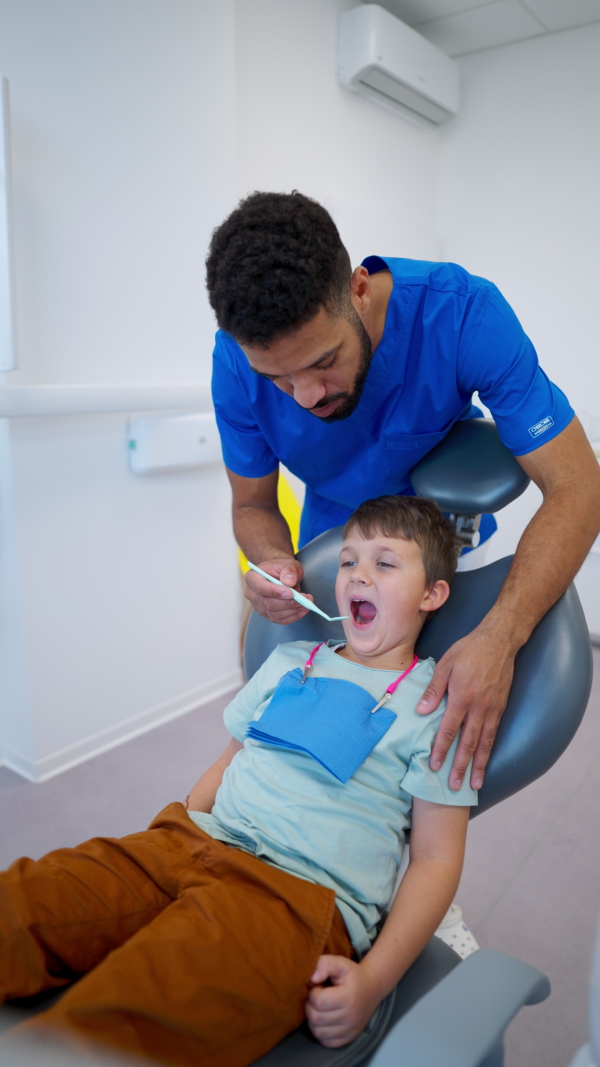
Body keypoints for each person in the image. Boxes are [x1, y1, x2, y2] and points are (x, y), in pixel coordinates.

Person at [1, 496, 475, 1067]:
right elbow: (228, 760)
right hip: (186, 843)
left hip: (290, 900)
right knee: (28, 900)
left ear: (432, 594)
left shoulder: (439, 707)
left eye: (385, 563)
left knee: (133, 1010)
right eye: (349, 561)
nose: (358, 575)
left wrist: (372, 981)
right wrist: (164, 839)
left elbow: (435, 860)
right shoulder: (290, 661)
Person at [206, 190, 600, 793]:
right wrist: (270, 562)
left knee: (430, 746)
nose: (306, 396)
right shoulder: (234, 365)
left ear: (358, 290)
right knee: (284, 704)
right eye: (278, 379)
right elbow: (254, 504)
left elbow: (579, 484)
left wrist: (500, 636)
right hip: (331, 541)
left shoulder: (462, 313)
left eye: (322, 362)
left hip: (447, 540)